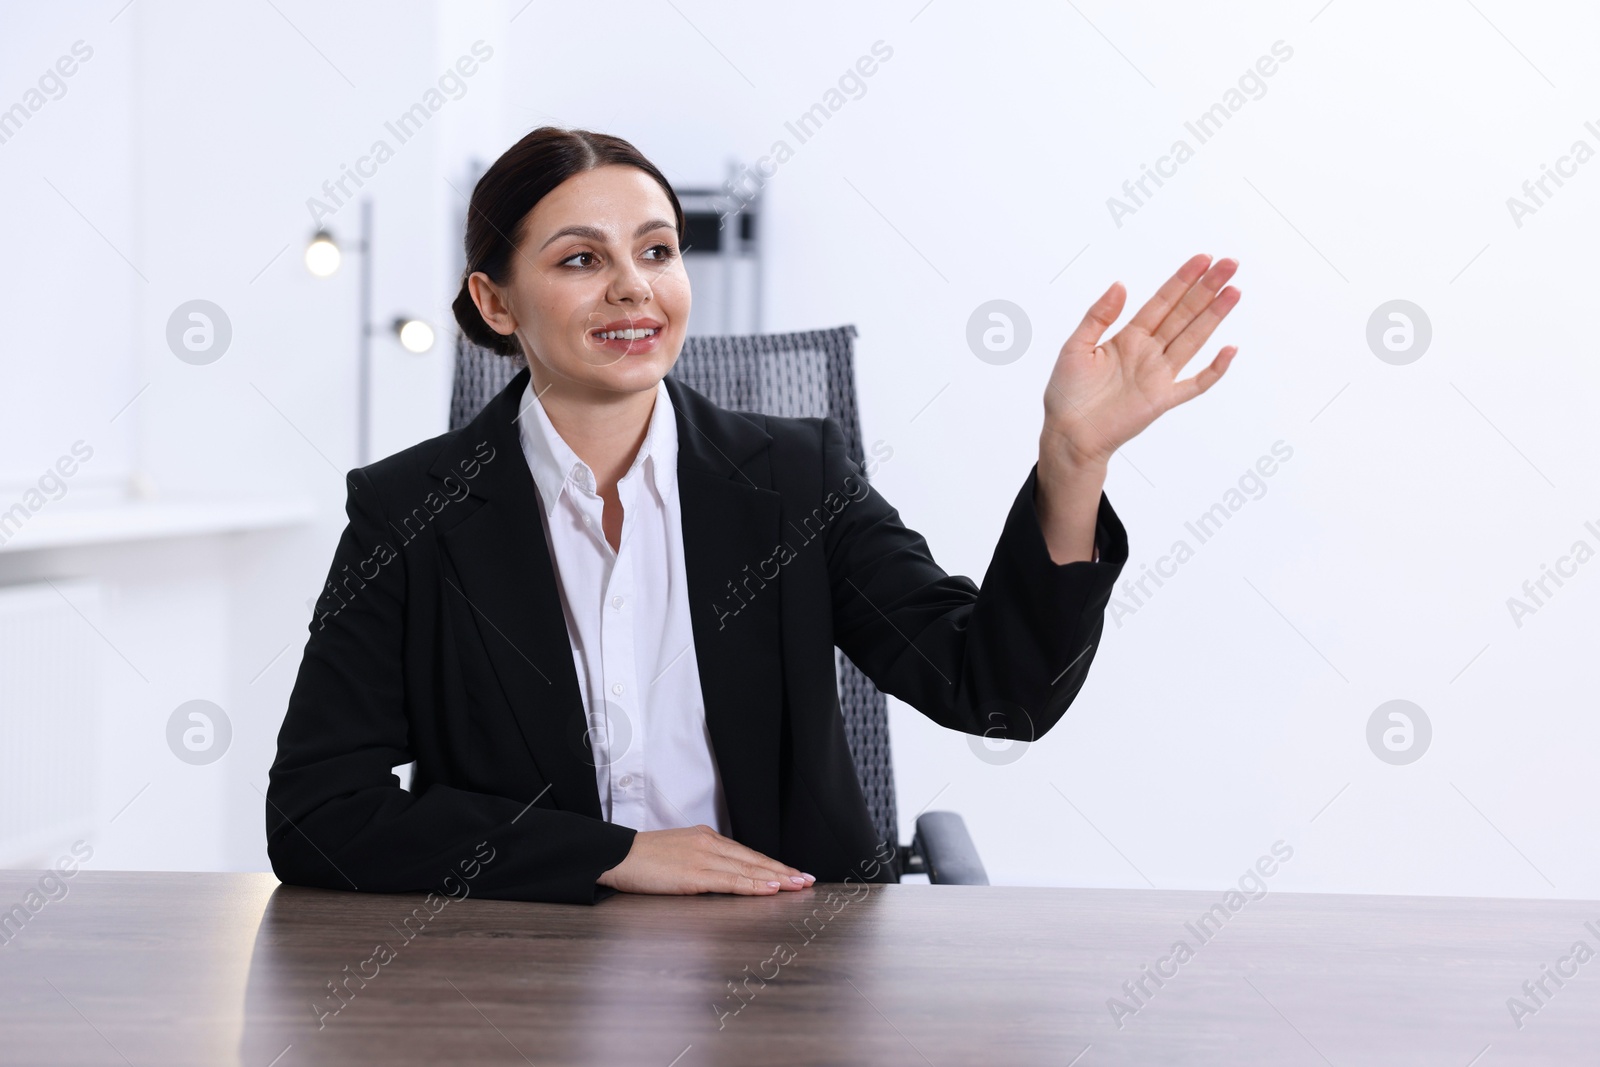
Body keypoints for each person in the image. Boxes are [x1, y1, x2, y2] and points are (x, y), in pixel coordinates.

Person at [266, 126, 1241, 905]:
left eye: (656, 249)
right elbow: (317, 813)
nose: (632, 287)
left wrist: (1072, 459)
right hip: (527, 969)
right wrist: (609, 853)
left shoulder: (795, 480)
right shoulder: (408, 512)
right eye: (579, 259)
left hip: (784, 961)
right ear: (496, 299)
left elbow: (998, 691)